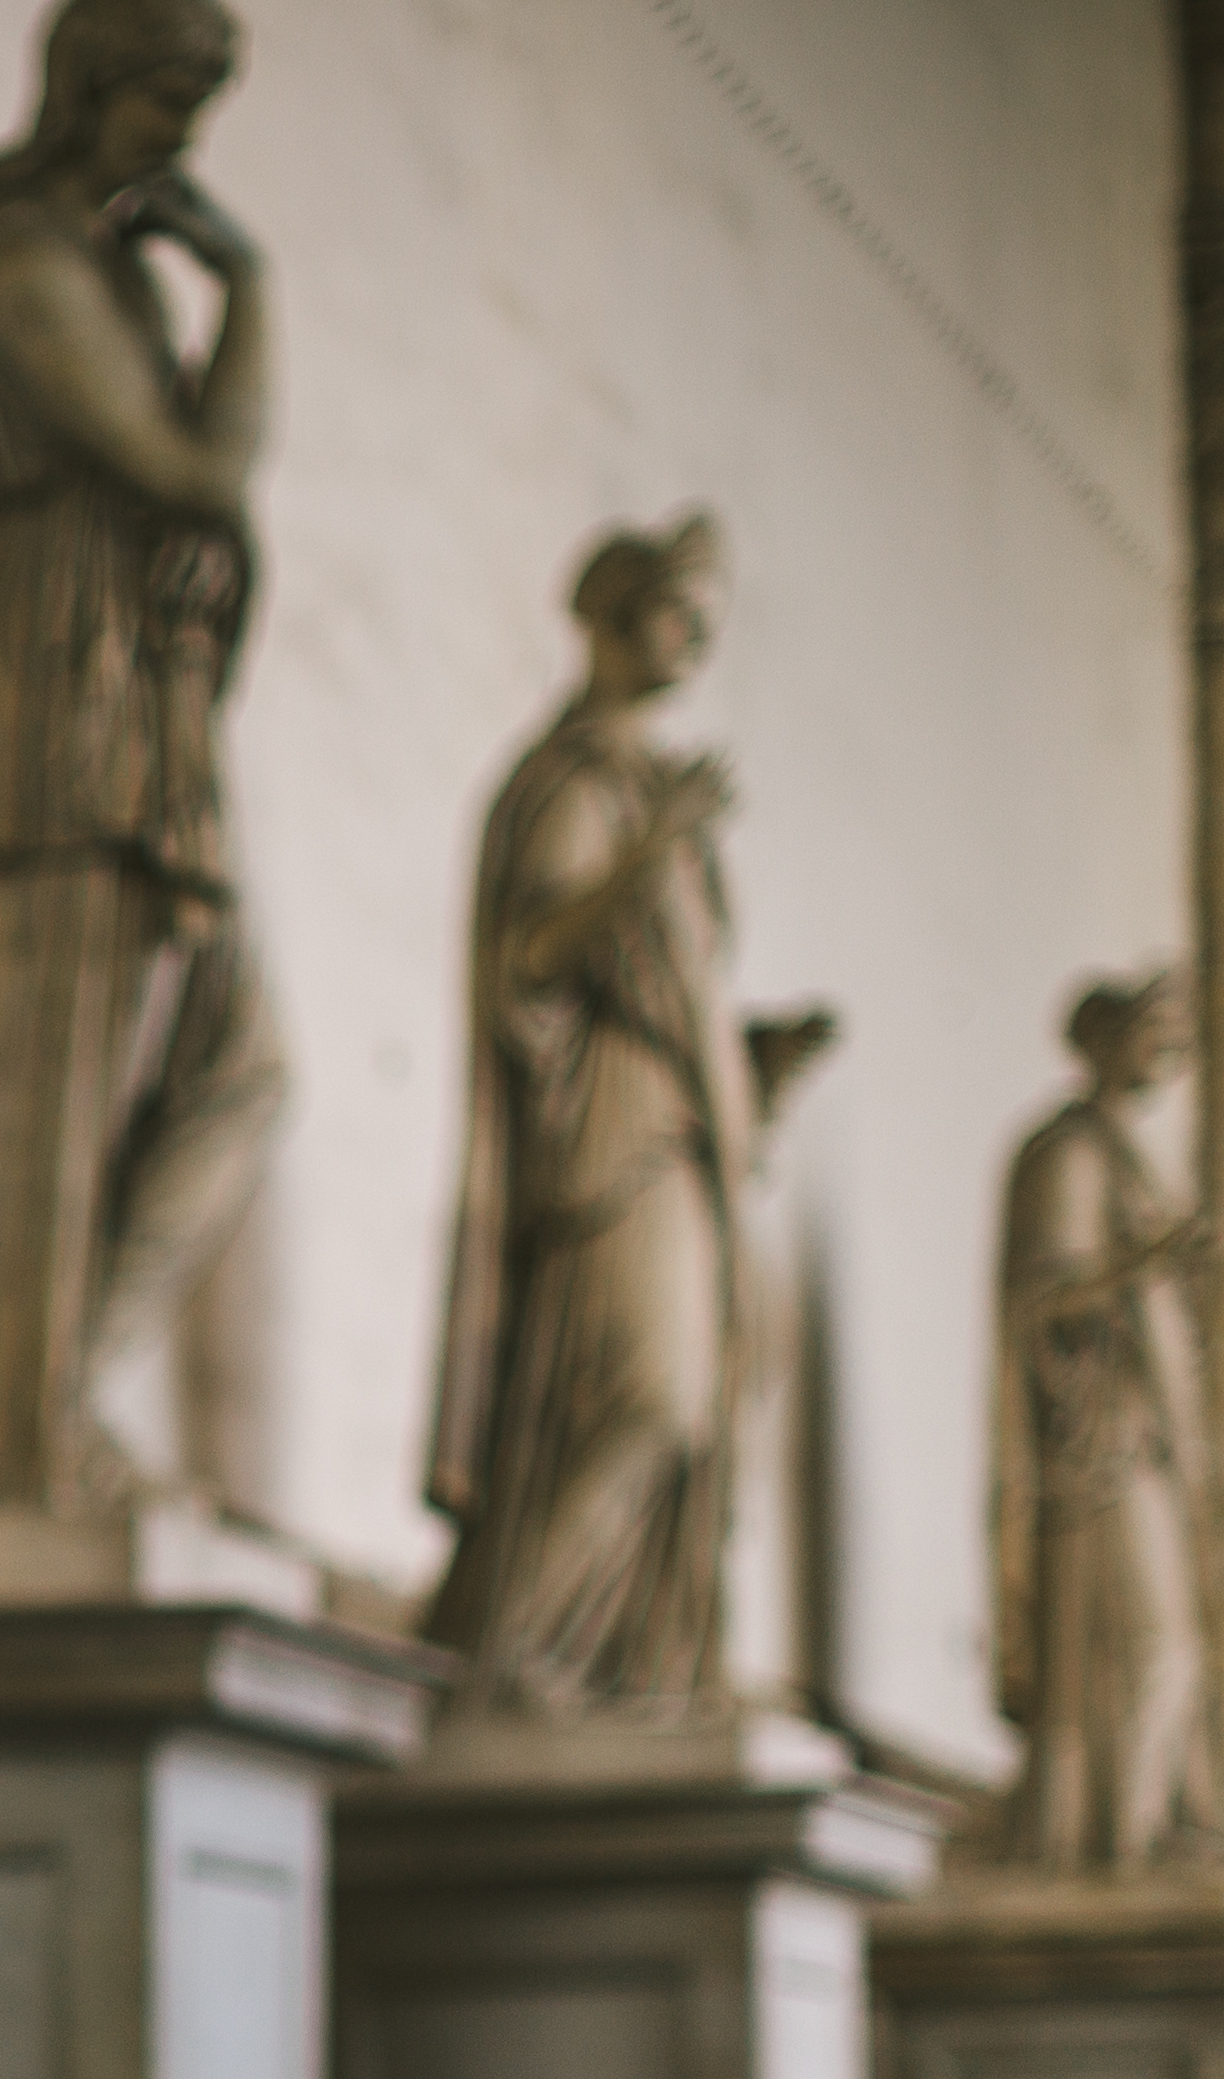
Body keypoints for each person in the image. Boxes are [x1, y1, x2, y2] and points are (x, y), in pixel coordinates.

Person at [0, 0, 286, 1515]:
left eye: (195, 113)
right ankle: (10, 1436)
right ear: (88, 90)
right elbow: (193, 473)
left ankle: (67, 1390)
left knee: (238, 1058)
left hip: (141, 705)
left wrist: (235, 293)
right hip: (58, 680)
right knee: (54, 1073)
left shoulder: (106, 270)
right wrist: (251, 288)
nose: (179, 144)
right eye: (161, 106)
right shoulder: (27, 258)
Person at [422, 512, 797, 1715]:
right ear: (614, 614)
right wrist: (650, 857)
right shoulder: (576, 781)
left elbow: (680, 982)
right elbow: (529, 961)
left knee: (698, 1413)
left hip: (683, 1137)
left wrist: (754, 1077)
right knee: (650, 1397)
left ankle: (623, 1664)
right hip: (613, 1136)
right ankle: (509, 1652)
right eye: (676, 612)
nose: (692, 642)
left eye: (706, 624)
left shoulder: (649, 784)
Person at [989, 971, 1224, 1873]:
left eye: (1184, 1034)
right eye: (1157, 1027)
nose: (1175, 1048)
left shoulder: (1125, 1153)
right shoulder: (1070, 1152)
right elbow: (1046, 1305)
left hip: (1149, 1446)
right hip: (1101, 1449)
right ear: (1106, 1036)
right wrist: (1143, 1264)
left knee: (1176, 1654)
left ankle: (1142, 1835)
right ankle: (1116, 1850)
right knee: (1147, 1649)